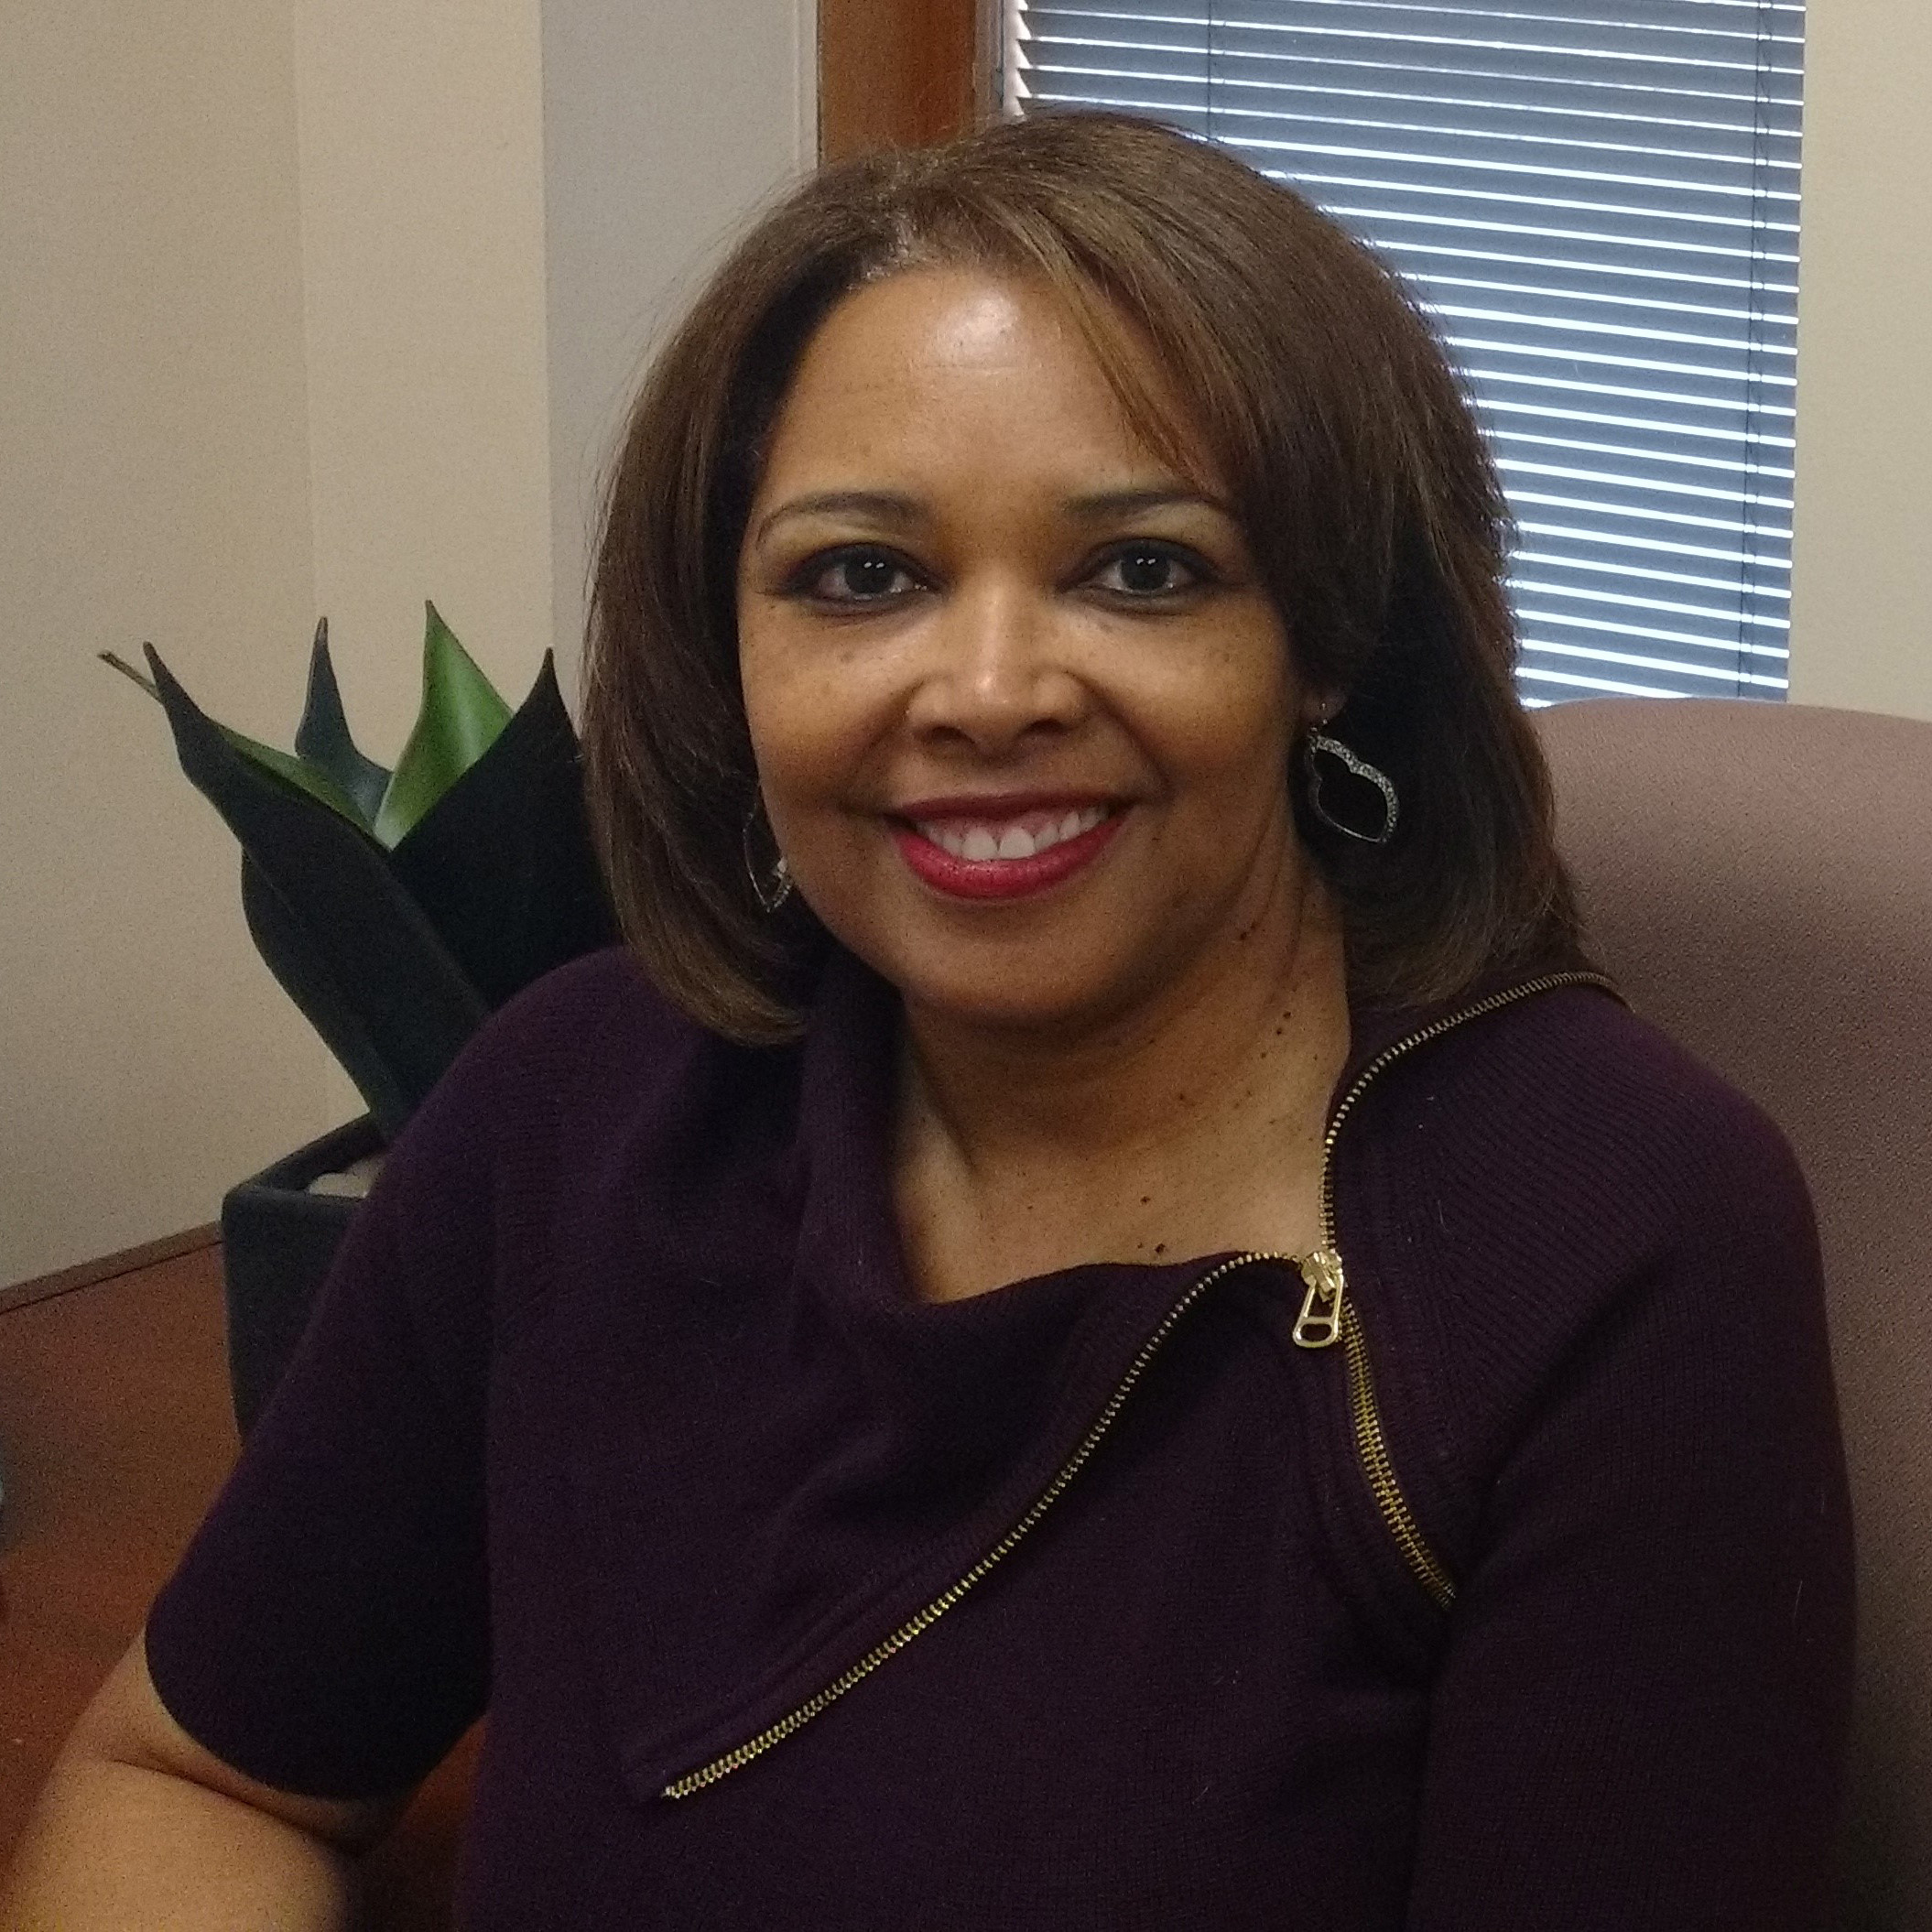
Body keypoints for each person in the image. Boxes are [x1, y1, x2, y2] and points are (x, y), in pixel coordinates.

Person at [2, 111, 1852, 1929]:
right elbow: (200, 1777)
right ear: (730, 648)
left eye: (1142, 568)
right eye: (860, 575)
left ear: (1328, 647)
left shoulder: (1610, 1237)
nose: (982, 690)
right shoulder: (571, 1109)